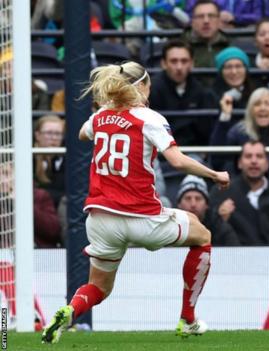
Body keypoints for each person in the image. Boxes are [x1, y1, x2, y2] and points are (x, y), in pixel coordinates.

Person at [41, 61, 230, 344]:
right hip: (140, 216)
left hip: (99, 218)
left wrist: (107, 111)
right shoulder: (149, 118)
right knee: (201, 235)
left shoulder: (101, 116)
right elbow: (177, 161)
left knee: (98, 288)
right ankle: (188, 319)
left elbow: (82, 134)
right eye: (148, 86)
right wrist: (214, 174)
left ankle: (70, 310)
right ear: (141, 86)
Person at [209, 141, 269, 245]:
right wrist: (219, 220)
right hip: (233, 258)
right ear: (239, 163)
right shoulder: (221, 192)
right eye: (248, 156)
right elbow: (208, 235)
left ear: (267, 163)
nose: (254, 161)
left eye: (259, 156)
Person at [149, 39, 217, 146]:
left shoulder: (202, 90)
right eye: (174, 61)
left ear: (192, 63)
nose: (179, 67)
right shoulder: (151, 89)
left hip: (192, 151)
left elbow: (206, 131)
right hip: (158, 150)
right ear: (163, 63)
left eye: (184, 61)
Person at [176, 175, 239, 245]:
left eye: (198, 198)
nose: (193, 204)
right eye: (188, 198)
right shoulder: (170, 227)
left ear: (206, 205)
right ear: (179, 204)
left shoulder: (220, 228)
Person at [181, 0, 229, 69]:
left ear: (219, 21)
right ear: (192, 22)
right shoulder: (180, 47)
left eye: (211, 16)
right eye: (200, 16)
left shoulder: (231, 46)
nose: (206, 21)